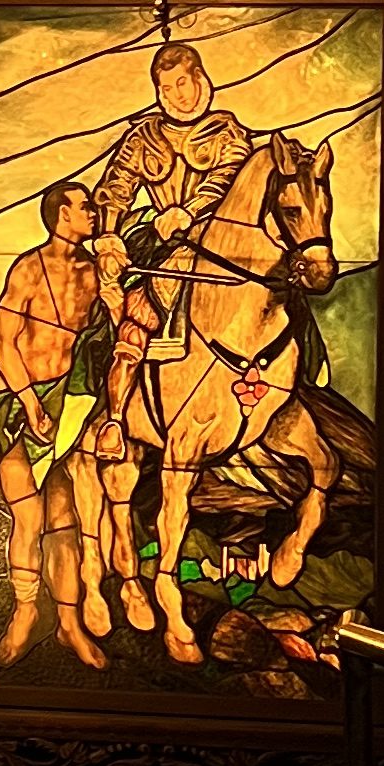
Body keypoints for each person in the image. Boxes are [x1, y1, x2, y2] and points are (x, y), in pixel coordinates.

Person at [88, 39, 253, 463]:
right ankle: (115, 421)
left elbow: (229, 176)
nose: (176, 95)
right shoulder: (143, 138)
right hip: (167, 253)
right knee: (135, 318)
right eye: (166, 88)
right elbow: (116, 186)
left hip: (226, 250)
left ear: (200, 79)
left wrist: (189, 210)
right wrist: (109, 237)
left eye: (182, 83)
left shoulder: (229, 132)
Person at [0, 180, 107, 666]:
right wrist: (30, 403)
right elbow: (2, 347)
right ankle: (25, 613)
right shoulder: (29, 269)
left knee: (64, 522)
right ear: (61, 215)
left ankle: (69, 626)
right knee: (29, 517)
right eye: (85, 208)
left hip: (71, 405)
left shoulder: (95, 272)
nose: (93, 214)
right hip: (20, 406)